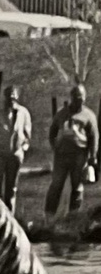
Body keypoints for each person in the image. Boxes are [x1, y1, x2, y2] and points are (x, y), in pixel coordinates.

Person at [44, 84, 98, 219]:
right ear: (72, 98)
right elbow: (53, 131)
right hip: (62, 155)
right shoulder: (62, 113)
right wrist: (54, 145)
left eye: (82, 98)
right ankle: (49, 217)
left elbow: (94, 137)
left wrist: (93, 156)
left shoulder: (89, 115)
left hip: (79, 155)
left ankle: (73, 217)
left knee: (77, 186)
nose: (79, 101)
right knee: (56, 185)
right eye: (77, 98)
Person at [0, 86, 31, 210]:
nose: (11, 101)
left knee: (12, 188)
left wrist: (23, 148)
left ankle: (10, 216)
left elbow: (27, 134)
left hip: (15, 155)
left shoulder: (23, 113)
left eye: (13, 98)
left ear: (17, 97)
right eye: (9, 98)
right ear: (4, 98)